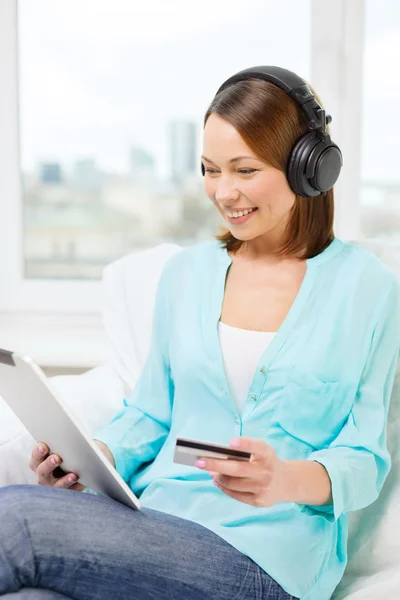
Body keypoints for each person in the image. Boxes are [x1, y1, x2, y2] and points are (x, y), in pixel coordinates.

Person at [0, 66, 399, 600]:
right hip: (155, 525)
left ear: (308, 168)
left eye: (244, 169)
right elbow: (149, 415)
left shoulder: (366, 287)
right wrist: (92, 458)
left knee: (20, 520)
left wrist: (285, 479)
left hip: (267, 559)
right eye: (211, 170)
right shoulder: (186, 275)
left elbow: (364, 456)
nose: (224, 191)